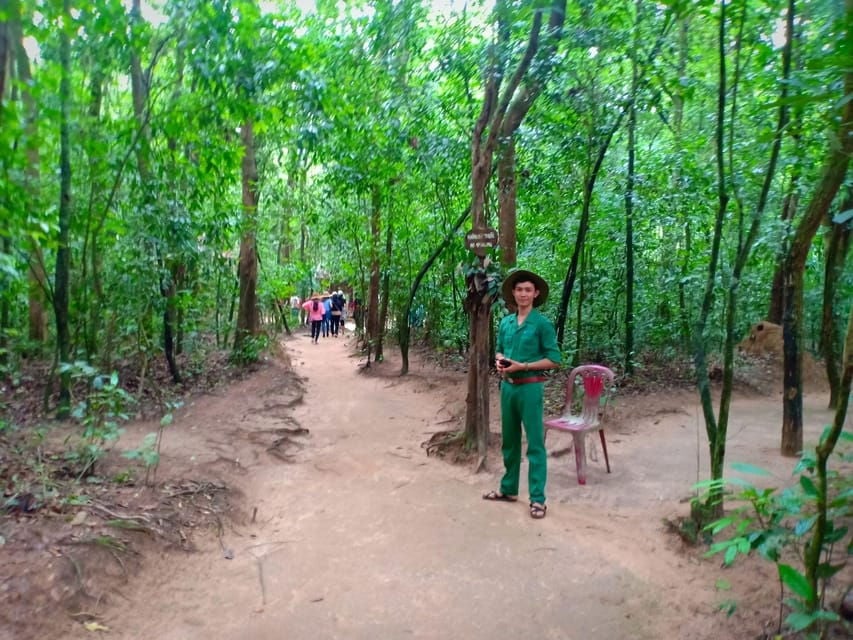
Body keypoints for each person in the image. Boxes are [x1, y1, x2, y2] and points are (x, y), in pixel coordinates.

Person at [483, 269, 561, 520]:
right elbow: (498, 350)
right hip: (508, 388)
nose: (523, 294)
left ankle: (538, 499)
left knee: (535, 443)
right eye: (519, 290)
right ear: (513, 294)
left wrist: (523, 366)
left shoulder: (542, 324)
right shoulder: (505, 322)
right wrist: (500, 361)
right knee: (510, 440)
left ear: (535, 293)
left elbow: (553, 360)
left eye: (528, 290)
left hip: (530, 387)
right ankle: (508, 489)